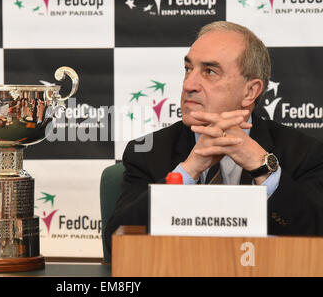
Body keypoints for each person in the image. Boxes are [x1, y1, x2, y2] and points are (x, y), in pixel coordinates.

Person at [104, 21, 323, 256]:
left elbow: (315, 237)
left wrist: (266, 172)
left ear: (250, 91)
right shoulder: (147, 151)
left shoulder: (303, 152)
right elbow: (117, 246)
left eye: (209, 72)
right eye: (188, 69)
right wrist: (187, 172)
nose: (189, 85)